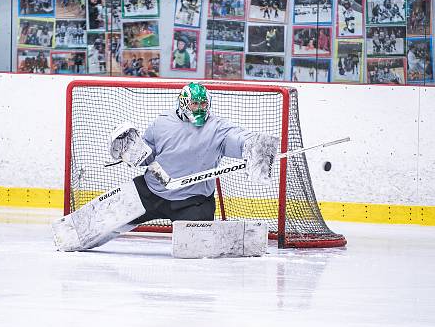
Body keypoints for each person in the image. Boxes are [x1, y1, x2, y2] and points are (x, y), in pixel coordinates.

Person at [52, 82, 280, 252]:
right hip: (152, 192)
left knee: (193, 251)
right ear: (183, 103)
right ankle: (70, 235)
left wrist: (253, 147)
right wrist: (129, 149)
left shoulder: (217, 128)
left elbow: (238, 139)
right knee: (83, 231)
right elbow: (144, 153)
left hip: (193, 202)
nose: (200, 108)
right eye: (194, 103)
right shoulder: (162, 123)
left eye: (203, 103)